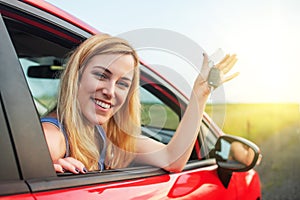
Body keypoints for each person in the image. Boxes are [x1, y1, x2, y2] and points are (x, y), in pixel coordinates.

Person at [42, 34, 238, 174]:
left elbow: (171, 159)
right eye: (102, 75)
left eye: (122, 84)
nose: (110, 91)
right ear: (77, 77)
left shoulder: (108, 135)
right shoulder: (54, 137)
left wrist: (200, 94)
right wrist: (37, 171)